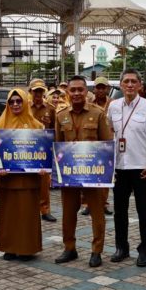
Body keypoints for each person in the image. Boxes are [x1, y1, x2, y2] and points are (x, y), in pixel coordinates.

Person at [54, 75, 113, 268]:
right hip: (70, 173)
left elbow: (106, 145)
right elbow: (58, 144)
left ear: (86, 92)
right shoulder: (60, 115)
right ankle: (69, 248)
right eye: (73, 90)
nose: (77, 93)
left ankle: (97, 251)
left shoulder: (98, 114)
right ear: (68, 92)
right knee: (68, 212)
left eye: (81, 89)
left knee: (97, 213)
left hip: (93, 173)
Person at [108, 69, 146, 267]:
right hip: (119, 167)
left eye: (133, 82)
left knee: (144, 212)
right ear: (121, 85)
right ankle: (121, 247)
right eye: (126, 81)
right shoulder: (113, 106)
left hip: (142, 167)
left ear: (140, 85)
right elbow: (110, 133)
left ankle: (144, 250)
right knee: (119, 211)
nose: (130, 85)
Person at [0, 89, 44, 261]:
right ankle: (9, 247)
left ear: (25, 102)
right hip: (8, 179)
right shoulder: (0, 126)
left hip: (29, 180)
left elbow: (43, 152)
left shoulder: (37, 126)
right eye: (12, 102)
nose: (15, 104)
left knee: (27, 215)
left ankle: (26, 248)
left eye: (18, 101)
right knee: (9, 214)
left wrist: (43, 165)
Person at [28, 79, 57, 223]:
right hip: (27, 148)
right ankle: (30, 209)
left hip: (45, 149)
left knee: (44, 181)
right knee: (29, 180)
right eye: (35, 91)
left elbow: (54, 129)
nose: (38, 94)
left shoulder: (50, 108)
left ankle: (45, 210)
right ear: (30, 92)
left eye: (41, 91)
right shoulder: (25, 107)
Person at [88, 76, 115, 216]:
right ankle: (88, 204)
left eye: (103, 87)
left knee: (105, 175)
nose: (100, 90)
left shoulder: (114, 104)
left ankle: (104, 203)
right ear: (94, 89)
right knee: (89, 174)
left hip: (107, 143)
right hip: (92, 143)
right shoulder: (89, 103)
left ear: (108, 89)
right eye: (98, 87)